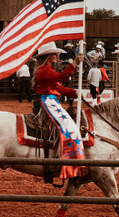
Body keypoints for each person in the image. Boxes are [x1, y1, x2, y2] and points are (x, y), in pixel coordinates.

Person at [32, 41, 86, 179]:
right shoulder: (44, 70)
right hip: (47, 102)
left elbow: (58, 88)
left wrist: (74, 93)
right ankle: (66, 159)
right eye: (54, 54)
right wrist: (74, 63)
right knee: (69, 127)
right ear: (48, 56)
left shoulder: (47, 69)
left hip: (51, 100)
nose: (56, 55)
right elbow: (61, 78)